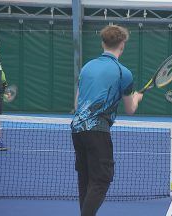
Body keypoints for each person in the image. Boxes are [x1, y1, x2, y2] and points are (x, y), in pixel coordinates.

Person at [70, 25, 143, 216]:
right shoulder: (123, 73)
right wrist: (136, 98)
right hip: (98, 130)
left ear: (103, 42)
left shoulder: (86, 67)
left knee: (85, 179)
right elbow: (130, 110)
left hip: (77, 129)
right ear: (122, 45)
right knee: (101, 180)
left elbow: (77, 104)